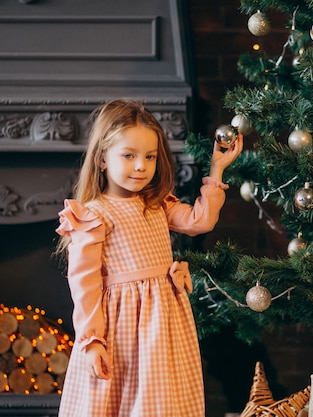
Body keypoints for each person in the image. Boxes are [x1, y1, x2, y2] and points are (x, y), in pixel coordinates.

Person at [55, 99, 243, 416]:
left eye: (150, 156)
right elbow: (84, 284)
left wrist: (217, 169)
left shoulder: (156, 204)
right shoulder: (93, 215)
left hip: (163, 323)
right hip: (122, 326)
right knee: (122, 397)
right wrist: (92, 341)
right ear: (102, 159)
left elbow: (201, 221)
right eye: (128, 155)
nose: (141, 165)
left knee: (162, 400)